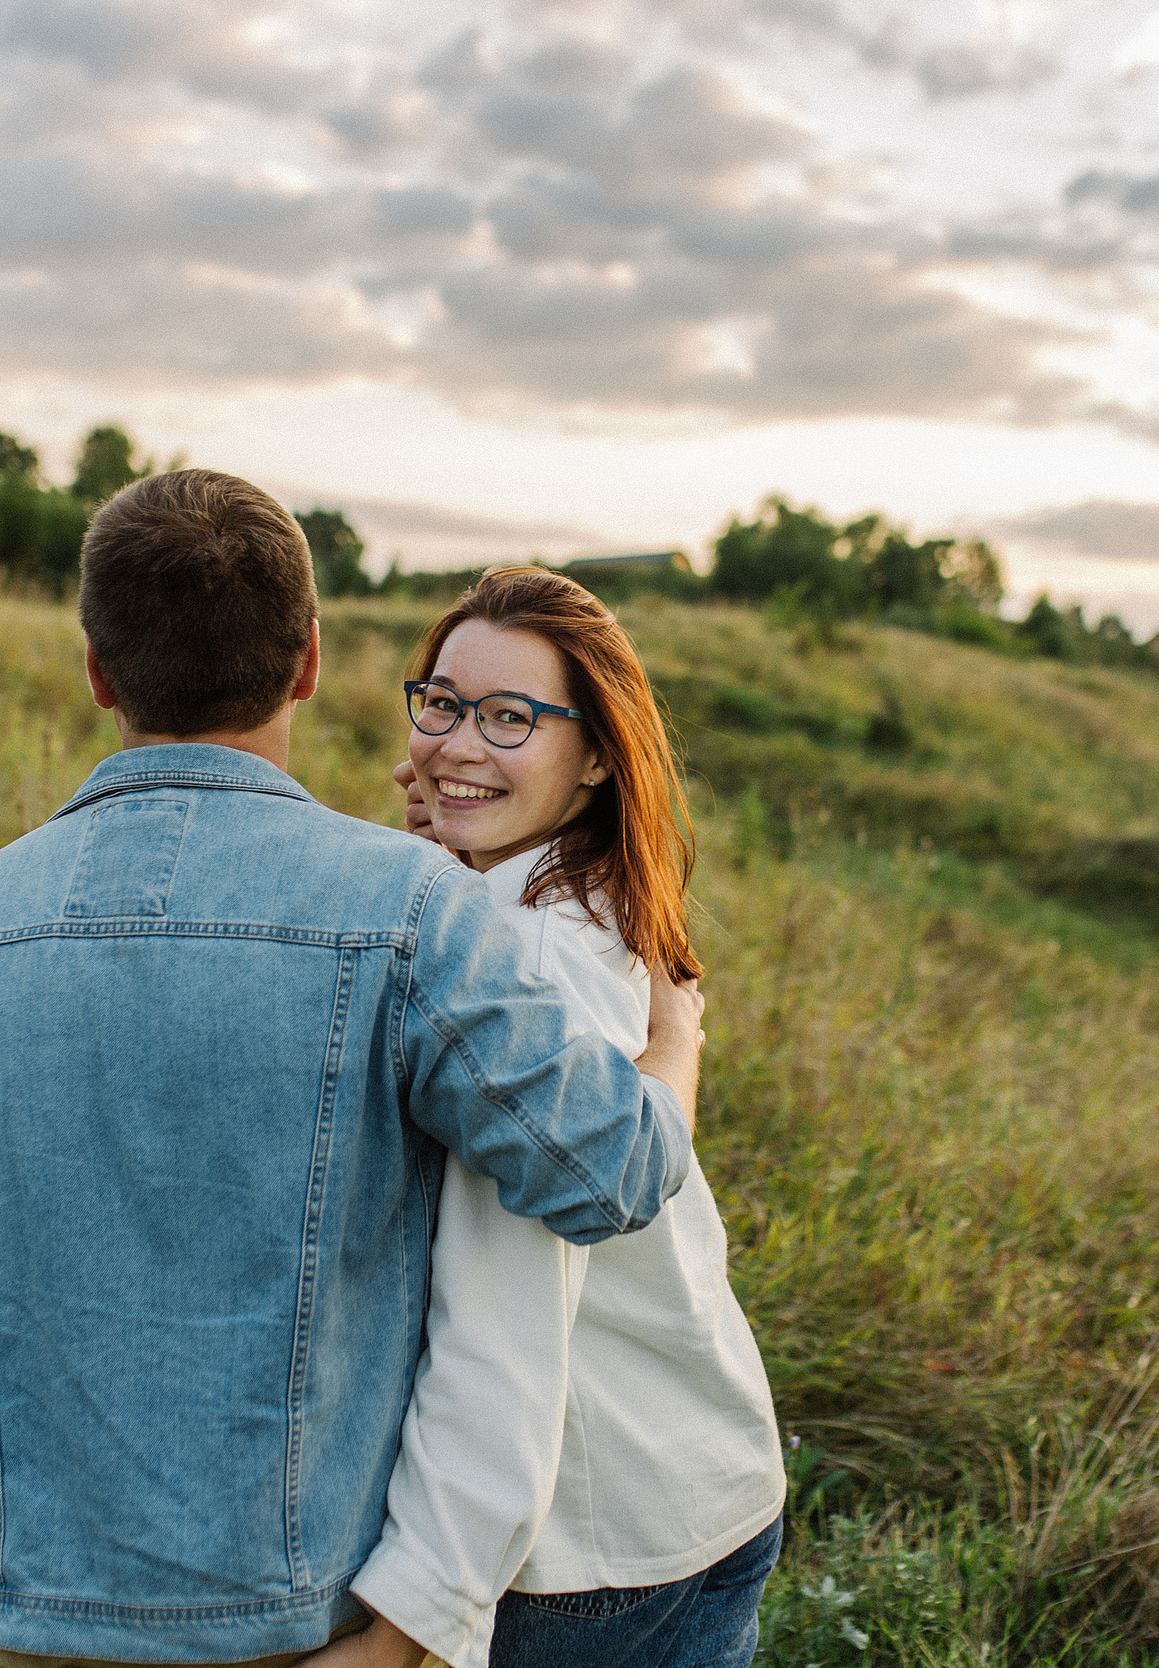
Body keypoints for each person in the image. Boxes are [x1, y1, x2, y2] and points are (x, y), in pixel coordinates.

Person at [0, 472, 708, 1668]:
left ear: (95, 668)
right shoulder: (412, 917)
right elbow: (616, 1175)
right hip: (300, 1622)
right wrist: (673, 1041)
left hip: (32, 1604)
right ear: (307, 664)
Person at [324, 569, 787, 1668]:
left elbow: (505, 1319)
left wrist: (411, 1626)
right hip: (690, 1474)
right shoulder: (569, 896)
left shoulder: (524, 961)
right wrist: (444, 849)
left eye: (509, 717)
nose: (453, 744)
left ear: (594, 757)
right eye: (438, 703)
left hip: (594, 1539)